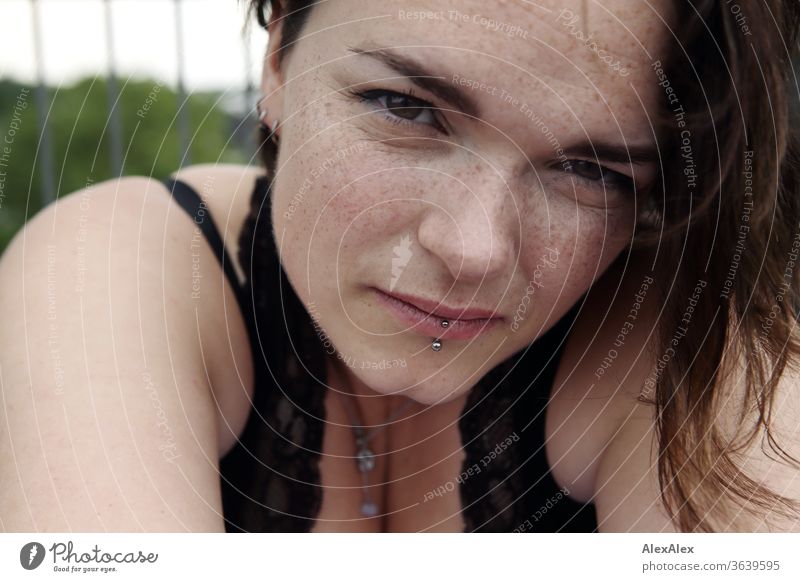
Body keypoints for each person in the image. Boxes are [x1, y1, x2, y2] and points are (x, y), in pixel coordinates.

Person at [1, 0, 799, 533]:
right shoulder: (122, 264)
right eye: (406, 108)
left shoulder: (704, 340)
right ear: (279, 59)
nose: (473, 248)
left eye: (591, 170)